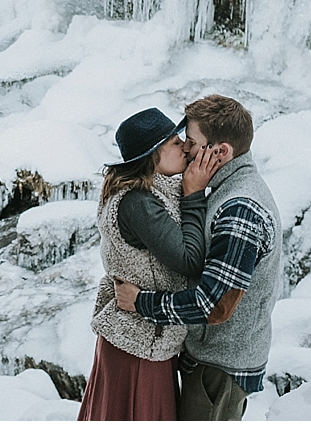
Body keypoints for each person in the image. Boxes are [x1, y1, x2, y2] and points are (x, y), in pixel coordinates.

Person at [114, 95, 282, 421]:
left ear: (220, 152)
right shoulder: (227, 188)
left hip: (218, 368)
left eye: (191, 142)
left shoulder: (239, 209)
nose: (186, 149)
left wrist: (140, 303)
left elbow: (214, 305)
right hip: (212, 361)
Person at [78, 107, 221, 421]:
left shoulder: (152, 193)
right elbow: (188, 260)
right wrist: (194, 193)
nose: (185, 146)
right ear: (152, 156)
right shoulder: (138, 202)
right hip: (139, 344)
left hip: (146, 336)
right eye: (174, 142)